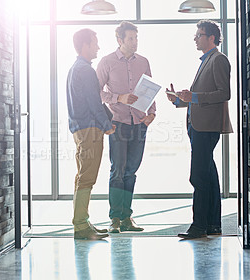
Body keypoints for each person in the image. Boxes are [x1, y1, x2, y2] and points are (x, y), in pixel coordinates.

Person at [166, 19, 233, 239]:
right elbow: (200, 97)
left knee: (198, 176)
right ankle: (213, 224)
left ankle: (199, 226)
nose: (195, 38)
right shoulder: (207, 60)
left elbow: (224, 93)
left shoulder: (218, 60)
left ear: (211, 37)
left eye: (199, 35)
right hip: (199, 127)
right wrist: (179, 100)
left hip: (206, 128)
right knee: (209, 175)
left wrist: (193, 96)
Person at [97, 21, 156, 233]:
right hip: (118, 122)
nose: (134, 42)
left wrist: (152, 113)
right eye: (130, 38)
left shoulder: (144, 62)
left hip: (139, 123)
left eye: (136, 38)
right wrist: (118, 97)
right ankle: (114, 219)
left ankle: (126, 218)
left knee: (131, 171)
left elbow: (150, 89)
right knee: (118, 171)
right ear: (120, 40)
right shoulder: (107, 62)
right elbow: (96, 92)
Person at [66, 28, 116, 240]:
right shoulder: (85, 70)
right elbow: (94, 102)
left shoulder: (75, 68)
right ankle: (81, 226)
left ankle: (83, 222)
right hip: (90, 129)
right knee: (87, 178)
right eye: (95, 43)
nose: (98, 47)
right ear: (85, 45)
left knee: (82, 177)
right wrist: (107, 124)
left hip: (79, 128)